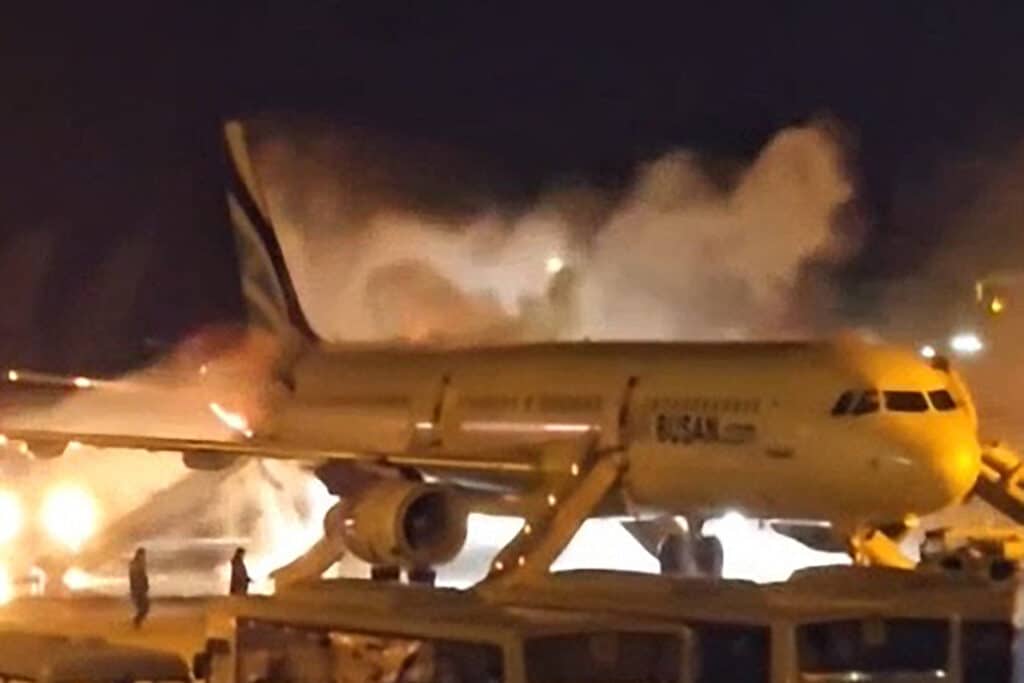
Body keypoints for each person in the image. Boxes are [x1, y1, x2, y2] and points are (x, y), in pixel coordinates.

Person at [129, 547, 149, 628]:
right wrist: (135, 589)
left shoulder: (141, 563)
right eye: (143, 555)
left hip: (141, 589)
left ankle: (137, 622)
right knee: (144, 607)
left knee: (145, 607)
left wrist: (146, 585)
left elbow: (144, 576)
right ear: (139, 555)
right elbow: (133, 577)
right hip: (137, 589)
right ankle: (136, 622)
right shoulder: (135, 564)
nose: (144, 557)